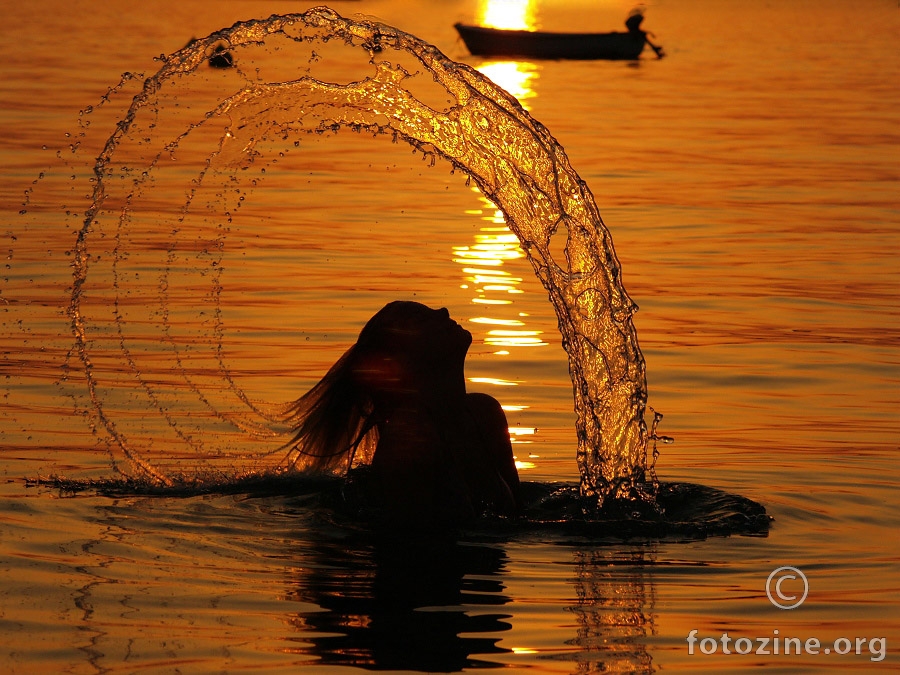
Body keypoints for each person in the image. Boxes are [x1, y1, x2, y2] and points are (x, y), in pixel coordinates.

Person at [281, 301, 521, 527]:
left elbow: (520, 512)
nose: (444, 311)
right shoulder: (409, 438)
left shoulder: (484, 413)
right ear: (403, 359)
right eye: (420, 319)